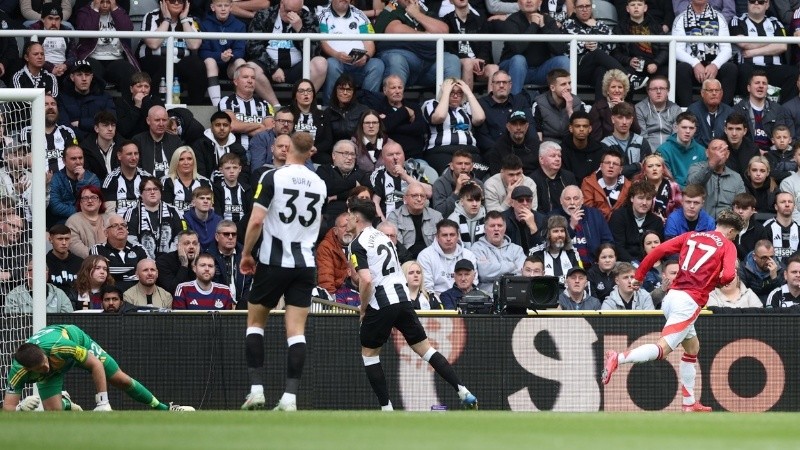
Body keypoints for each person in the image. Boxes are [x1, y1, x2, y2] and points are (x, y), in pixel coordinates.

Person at [601, 209, 743, 413]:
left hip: (671, 297)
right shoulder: (728, 245)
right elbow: (729, 275)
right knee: (663, 350)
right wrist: (717, 281)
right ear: (731, 231)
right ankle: (618, 358)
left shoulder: (691, 236)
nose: (733, 239)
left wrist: (639, 276)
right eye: (735, 235)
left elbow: (657, 252)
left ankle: (689, 402)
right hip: (688, 302)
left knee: (692, 348)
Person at [346, 199, 478, 410]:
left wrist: (363, 309)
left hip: (381, 303)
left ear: (356, 217)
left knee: (369, 355)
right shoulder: (384, 237)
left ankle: (386, 408)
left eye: (349, 215)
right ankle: (463, 390)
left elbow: (367, 280)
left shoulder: (357, 243)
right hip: (403, 299)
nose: (347, 220)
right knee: (425, 349)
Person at [239, 132, 326, 411]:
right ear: (311, 152)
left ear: (287, 149)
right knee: (297, 331)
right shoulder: (320, 183)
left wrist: (246, 253)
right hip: (305, 264)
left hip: (273, 261)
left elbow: (256, 220)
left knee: (255, 323)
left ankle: (256, 390)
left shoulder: (272, 177)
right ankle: (290, 398)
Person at [2, 324, 193, 411]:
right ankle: (65, 402)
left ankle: (164, 408)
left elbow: (95, 364)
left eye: (46, 361)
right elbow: (8, 407)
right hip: (54, 369)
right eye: (41, 368)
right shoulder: (18, 371)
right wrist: (19, 409)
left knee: (119, 378)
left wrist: (103, 403)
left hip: (78, 341)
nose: (47, 367)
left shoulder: (61, 346)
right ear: (29, 369)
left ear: (44, 353)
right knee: (54, 413)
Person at [564, 0, 649, 99]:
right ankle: (628, 77)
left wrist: (595, 28)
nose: (584, 9)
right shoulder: (569, 24)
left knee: (603, 72)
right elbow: (565, 47)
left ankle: (601, 106)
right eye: (581, 7)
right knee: (596, 53)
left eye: (587, 6)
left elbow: (612, 44)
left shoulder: (599, 24)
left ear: (591, 7)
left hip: (595, 70)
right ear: (575, 9)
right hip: (578, 68)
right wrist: (584, 45)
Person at [373, 0, 461, 90]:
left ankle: (449, 98)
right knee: (396, 59)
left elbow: (443, 30)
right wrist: (426, 35)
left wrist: (417, 14)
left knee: (452, 60)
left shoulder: (422, 9)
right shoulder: (392, 7)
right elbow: (394, 29)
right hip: (404, 59)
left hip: (430, 62)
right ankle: (394, 99)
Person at [246, 0, 328, 92]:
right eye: (288, 11)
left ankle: (303, 99)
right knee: (250, 67)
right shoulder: (264, 15)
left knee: (320, 63)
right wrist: (273, 68)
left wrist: (300, 30)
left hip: (297, 68)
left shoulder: (308, 17)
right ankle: (274, 101)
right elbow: (253, 46)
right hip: (267, 66)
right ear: (281, 4)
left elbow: (314, 52)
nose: (291, 15)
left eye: (296, 12)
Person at [137, 0, 206, 105]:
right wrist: (167, 20)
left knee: (196, 64)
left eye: (181, 1)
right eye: (172, 1)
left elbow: (194, 45)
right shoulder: (151, 16)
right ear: (163, 2)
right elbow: (153, 44)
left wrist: (184, 19)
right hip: (154, 61)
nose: (177, 3)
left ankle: (195, 105)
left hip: (180, 63)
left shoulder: (190, 20)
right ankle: (157, 104)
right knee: (164, 64)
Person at [672, 0, 737, 107]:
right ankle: (687, 111)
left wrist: (715, 65)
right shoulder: (681, 18)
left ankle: (725, 111)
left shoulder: (719, 17)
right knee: (682, 68)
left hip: (714, 66)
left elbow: (727, 49)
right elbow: (677, 50)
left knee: (730, 68)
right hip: (692, 66)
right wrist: (695, 63)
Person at [730, 0, 797, 104]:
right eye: (752, 1)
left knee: (793, 72)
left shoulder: (775, 22)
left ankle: (783, 109)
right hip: (749, 67)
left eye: (761, 1)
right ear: (747, 3)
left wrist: (753, 52)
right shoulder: (737, 20)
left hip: (773, 68)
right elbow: (743, 43)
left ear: (767, 5)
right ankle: (747, 107)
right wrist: (772, 40)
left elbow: (782, 46)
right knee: (743, 70)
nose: (756, 3)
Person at [497, 0, 569, 95]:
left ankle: (564, 100)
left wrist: (543, 27)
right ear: (519, 2)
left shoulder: (548, 20)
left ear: (540, 2)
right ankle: (515, 101)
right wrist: (534, 25)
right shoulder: (511, 20)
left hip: (540, 71)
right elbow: (518, 48)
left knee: (563, 60)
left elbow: (560, 49)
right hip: (513, 69)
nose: (529, 1)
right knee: (519, 60)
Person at [318, 0, 384, 101]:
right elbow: (323, 43)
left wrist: (366, 57)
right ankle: (330, 107)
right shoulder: (322, 14)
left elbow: (369, 42)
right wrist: (336, 55)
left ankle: (367, 106)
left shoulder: (360, 14)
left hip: (359, 64)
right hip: (337, 62)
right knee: (331, 64)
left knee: (377, 64)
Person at [422, 78, 485, 174]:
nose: (455, 96)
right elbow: (439, 117)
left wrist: (468, 92)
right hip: (441, 151)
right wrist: (446, 93)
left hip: (469, 151)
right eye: (452, 92)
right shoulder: (432, 104)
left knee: (478, 174)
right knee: (451, 175)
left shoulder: (466, 107)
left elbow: (480, 119)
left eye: (459, 93)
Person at [74, 0, 140, 92]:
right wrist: (95, 10)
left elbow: (127, 29)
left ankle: (126, 101)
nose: (105, 5)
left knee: (128, 71)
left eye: (108, 2)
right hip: (93, 57)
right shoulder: (85, 12)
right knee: (90, 72)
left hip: (116, 58)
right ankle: (95, 101)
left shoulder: (119, 11)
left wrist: (114, 9)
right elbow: (87, 30)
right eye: (102, 2)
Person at [123, 176, 187, 259]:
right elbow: (131, 240)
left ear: (161, 192)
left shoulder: (173, 211)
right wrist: (146, 259)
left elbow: (180, 236)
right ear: (141, 193)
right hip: (142, 261)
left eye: (156, 189)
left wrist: (168, 257)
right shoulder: (132, 213)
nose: (152, 192)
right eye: (148, 189)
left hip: (170, 260)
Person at [476, 71, 537, 158]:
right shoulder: (481, 104)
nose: (501, 85)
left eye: (504, 82)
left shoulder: (520, 101)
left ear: (510, 85)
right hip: (495, 154)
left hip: (522, 151)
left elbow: (530, 127)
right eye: (498, 82)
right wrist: (502, 152)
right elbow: (483, 137)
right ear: (492, 85)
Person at [365, 75, 427, 160]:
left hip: (414, 158)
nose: (397, 91)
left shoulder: (413, 106)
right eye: (393, 88)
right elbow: (383, 128)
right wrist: (404, 111)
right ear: (385, 90)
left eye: (400, 87)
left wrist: (393, 125)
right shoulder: (378, 108)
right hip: (388, 159)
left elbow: (420, 128)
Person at [551, 185, 614, 267]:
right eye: (568, 199)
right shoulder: (553, 217)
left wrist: (600, 260)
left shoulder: (595, 215)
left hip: (593, 265)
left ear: (582, 200)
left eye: (576, 198)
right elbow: (553, 246)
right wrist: (571, 226)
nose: (572, 202)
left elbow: (607, 241)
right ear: (561, 201)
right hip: (565, 266)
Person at [733, 69, 794, 153]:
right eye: (757, 83)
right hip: (747, 153)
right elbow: (736, 137)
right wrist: (755, 151)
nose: (761, 86)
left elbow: (782, 136)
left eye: (764, 83)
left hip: (772, 154)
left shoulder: (778, 109)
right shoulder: (738, 109)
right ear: (749, 88)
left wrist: (770, 154)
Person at [199, 0, 247, 107]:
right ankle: (217, 105)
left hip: (230, 65)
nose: (223, 9)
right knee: (210, 61)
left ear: (231, 7)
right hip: (212, 66)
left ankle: (242, 103)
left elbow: (240, 50)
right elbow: (203, 52)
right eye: (219, 6)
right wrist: (220, 56)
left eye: (226, 5)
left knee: (241, 63)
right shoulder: (204, 24)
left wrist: (230, 55)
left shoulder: (239, 25)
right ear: (213, 7)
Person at [218, 64, 274, 154]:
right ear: (236, 81)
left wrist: (242, 128)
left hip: (260, 152)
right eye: (245, 77)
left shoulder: (265, 104)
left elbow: (269, 130)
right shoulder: (226, 101)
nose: (250, 81)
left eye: (253, 78)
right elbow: (232, 125)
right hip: (234, 151)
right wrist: (259, 125)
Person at [317, 139, 372, 227]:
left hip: (356, 216)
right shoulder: (324, 170)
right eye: (345, 153)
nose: (350, 158)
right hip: (329, 217)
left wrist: (337, 196)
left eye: (352, 154)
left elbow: (367, 192)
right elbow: (329, 188)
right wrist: (354, 184)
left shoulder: (360, 173)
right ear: (334, 155)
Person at [417, 219, 478, 297]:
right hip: (437, 300)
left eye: (452, 235)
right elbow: (426, 287)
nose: (448, 239)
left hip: (464, 299)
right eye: (444, 235)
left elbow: (473, 282)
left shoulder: (468, 255)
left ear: (458, 236)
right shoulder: (425, 256)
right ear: (437, 237)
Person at [686, 138, 746, 217]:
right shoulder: (696, 168)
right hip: (701, 221)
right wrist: (712, 163)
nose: (718, 153)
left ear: (727, 154)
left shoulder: (736, 177)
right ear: (707, 153)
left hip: (727, 222)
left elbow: (742, 204)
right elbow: (692, 186)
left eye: (722, 149)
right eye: (715, 149)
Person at [89, 213, 148, 292]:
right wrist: (133, 272)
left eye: (123, 225)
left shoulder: (139, 249)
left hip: (137, 293)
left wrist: (113, 271)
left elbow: (147, 272)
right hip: (109, 293)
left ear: (127, 231)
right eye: (115, 225)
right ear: (106, 232)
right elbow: (98, 273)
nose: (120, 227)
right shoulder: (98, 249)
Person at [609, 180, 664, 262]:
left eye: (648, 199)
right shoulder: (619, 216)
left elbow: (659, 248)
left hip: (650, 262)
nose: (644, 203)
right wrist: (635, 264)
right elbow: (618, 247)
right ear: (632, 198)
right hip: (624, 263)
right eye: (640, 198)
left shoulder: (656, 221)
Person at [471, 211, 526, 292]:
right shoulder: (477, 248)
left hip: (513, 293)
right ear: (485, 229)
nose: (496, 229)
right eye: (492, 226)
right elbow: (484, 273)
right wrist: (511, 265)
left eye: (500, 226)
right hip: (487, 295)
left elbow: (522, 273)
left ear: (505, 228)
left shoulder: (517, 249)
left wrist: (493, 268)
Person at [193, 111, 250, 184]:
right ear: (211, 128)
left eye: (225, 125)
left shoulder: (238, 148)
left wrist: (235, 188)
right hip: (207, 188)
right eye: (217, 125)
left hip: (233, 187)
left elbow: (244, 173)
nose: (222, 128)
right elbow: (200, 172)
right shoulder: (201, 145)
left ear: (230, 128)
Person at [532, 68, 586, 144]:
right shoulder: (540, 103)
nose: (569, 87)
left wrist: (570, 110)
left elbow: (581, 132)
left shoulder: (578, 103)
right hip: (549, 143)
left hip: (571, 143)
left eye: (569, 83)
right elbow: (538, 132)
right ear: (552, 88)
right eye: (563, 84)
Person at [600, 102, 652, 179]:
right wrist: (637, 166)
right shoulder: (605, 144)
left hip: (638, 185)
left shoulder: (642, 142)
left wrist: (622, 169)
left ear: (632, 120)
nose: (624, 122)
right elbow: (608, 171)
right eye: (620, 117)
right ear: (613, 119)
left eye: (627, 118)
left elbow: (648, 168)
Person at [484, 109, 541, 177]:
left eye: (522, 124)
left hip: (533, 181)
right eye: (514, 124)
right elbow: (496, 175)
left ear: (527, 126)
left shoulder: (536, 145)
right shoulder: (497, 148)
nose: (518, 128)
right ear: (508, 126)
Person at [656, 111, 706, 188]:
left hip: (695, 192)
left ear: (695, 130)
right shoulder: (663, 150)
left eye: (691, 128)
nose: (688, 131)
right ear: (676, 128)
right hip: (673, 191)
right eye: (684, 127)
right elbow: (666, 179)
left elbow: (703, 178)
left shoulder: (701, 151)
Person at [131, 105, 183, 179]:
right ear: (148, 121)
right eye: (157, 120)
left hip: (172, 184)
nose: (161, 124)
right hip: (145, 184)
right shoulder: (138, 141)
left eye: (164, 120)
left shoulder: (175, 141)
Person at [289, 79, 334, 164]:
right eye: (301, 91)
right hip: (292, 151)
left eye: (309, 91)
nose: (306, 94)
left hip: (315, 154)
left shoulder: (323, 115)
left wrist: (315, 148)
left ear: (313, 94)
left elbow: (328, 140)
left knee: (326, 160)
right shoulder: (288, 114)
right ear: (295, 95)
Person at [581, 149, 632, 221]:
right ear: (601, 166)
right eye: (607, 163)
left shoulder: (628, 186)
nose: (611, 166)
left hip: (620, 224)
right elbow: (589, 211)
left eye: (615, 164)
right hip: (597, 223)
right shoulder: (588, 182)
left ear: (621, 169)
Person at [5, 261, 73, 314]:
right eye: (35, 269)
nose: (40, 272)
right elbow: (13, 322)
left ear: (47, 273)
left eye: (44, 269)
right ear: (26, 274)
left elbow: (68, 320)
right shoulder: (14, 295)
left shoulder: (59, 294)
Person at [432, 149, 485, 218]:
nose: (463, 167)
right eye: (459, 164)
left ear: (472, 167)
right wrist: (456, 192)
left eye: (467, 164)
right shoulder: (440, 183)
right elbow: (439, 213)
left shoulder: (478, 183)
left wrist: (481, 197)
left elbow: (483, 212)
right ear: (451, 166)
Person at [635, 76, 683, 151]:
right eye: (654, 89)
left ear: (668, 91)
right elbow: (642, 136)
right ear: (648, 91)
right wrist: (655, 154)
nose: (658, 92)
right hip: (647, 152)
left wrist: (666, 153)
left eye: (662, 88)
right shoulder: (639, 108)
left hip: (670, 152)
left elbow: (675, 136)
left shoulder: (675, 109)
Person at [530, 141, 578, 214]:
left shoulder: (569, 176)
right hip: (545, 219)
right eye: (553, 156)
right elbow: (536, 209)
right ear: (541, 159)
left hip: (569, 216)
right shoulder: (533, 180)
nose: (557, 159)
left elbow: (576, 201)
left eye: (559, 156)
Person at [560, 111, 608, 183]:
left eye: (585, 126)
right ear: (570, 128)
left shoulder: (602, 149)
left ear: (590, 129)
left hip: (594, 187)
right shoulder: (561, 150)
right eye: (577, 126)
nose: (581, 129)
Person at [316, 212, 356, 297]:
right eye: (344, 226)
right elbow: (326, 280)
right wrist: (334, 302)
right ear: (335, 231)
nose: (348, 229)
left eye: (351, 226)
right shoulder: (326, 247)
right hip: (337, 297)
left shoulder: (363, 244)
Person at [66, 185, 110, 258]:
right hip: (84, 262)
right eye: (85, 198)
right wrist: (97, 258)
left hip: (111, 259)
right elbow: (74, 245)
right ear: (80, 203)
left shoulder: (109, 219)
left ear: (100, 202)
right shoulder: (73, 221)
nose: (89, 201)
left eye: (93, 197)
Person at [686, 79, 733, 147]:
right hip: (700, 151)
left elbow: (731, 137)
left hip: (723, 150)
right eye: (710, 90)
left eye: (717, 90)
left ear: (721, 93)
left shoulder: (729, 112)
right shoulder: (693, 110)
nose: (714, 93)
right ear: (702, 93)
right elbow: (693, 137)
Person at [637, 153, 682, 221]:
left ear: (663, 169)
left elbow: (679, 210)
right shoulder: (637, 186)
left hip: (668, 223)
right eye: (650, 166)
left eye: (658, 165)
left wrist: (668, 221)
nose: (654, 169)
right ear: (644, 171)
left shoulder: (673, 186)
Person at [155, 229, 200, 295]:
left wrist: (194, 267)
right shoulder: (164, 261)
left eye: (194, 243)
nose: (191, 247)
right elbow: (173, 291)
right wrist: (184, 265)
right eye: (187, 243)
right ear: (178, 246)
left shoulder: (205, 261)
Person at [212, 153, 253, 225]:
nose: (231, 171)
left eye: (235, 167)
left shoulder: (246, 189)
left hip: (243, 228)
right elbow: (217, 213)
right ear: (221, 170)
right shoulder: (216, 189)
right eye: (228, 168)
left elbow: (249, 213)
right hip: (223, 228)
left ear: (240, 169)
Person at [760, 191, 800, 263]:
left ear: (794, 206)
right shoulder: (766, 228)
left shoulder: (798, 229)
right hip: (771, 268)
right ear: (776, 206)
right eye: (783, 202)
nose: (787, 205)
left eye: (790, 202)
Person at [81, 111, 122, 181]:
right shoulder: (85, 149)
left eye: (113, 125)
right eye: (105, 125)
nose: (110, 129)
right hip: (96, 186)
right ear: (96, 128)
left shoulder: (124, 147)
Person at [46, 224, 83, 298]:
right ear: (50, 239)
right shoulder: (44, 263)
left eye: (67, 239)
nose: (64, 243)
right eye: (60, 239)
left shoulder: (80, 262)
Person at [447, 182, 486, 249]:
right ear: (462, 202)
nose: (474, 204)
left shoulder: (486, 218)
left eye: (477, 200)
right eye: (470, 200)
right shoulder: (452, 220)